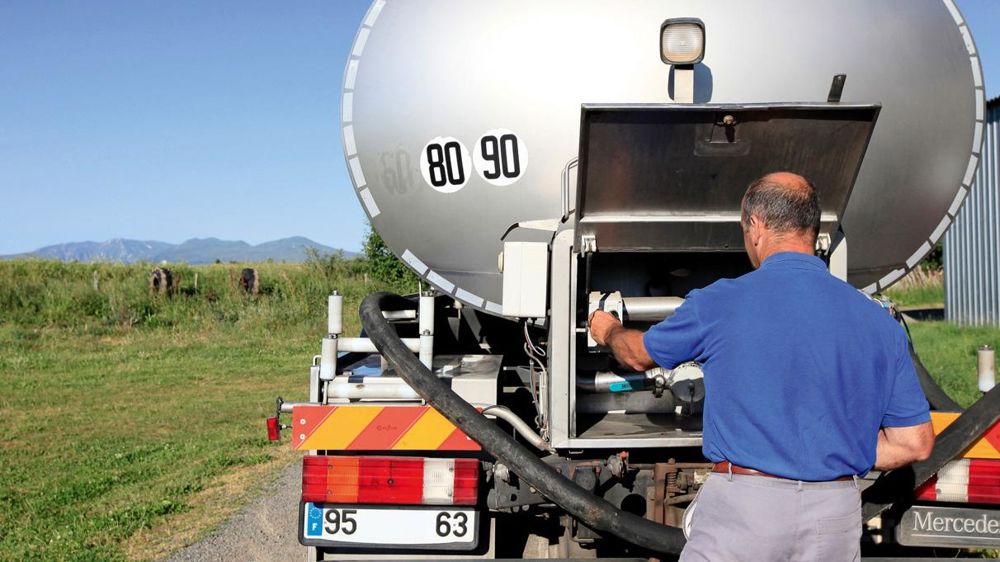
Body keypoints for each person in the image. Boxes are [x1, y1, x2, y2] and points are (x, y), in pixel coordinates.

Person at [588, 171, 935, 561]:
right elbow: (915, 443)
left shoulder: (720, 303)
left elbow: (638, 354)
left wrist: (608, 328)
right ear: (811, 228)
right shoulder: (877, 322)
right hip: (834, 516)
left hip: (746, 514)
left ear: (756, 226)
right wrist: (832, 442)